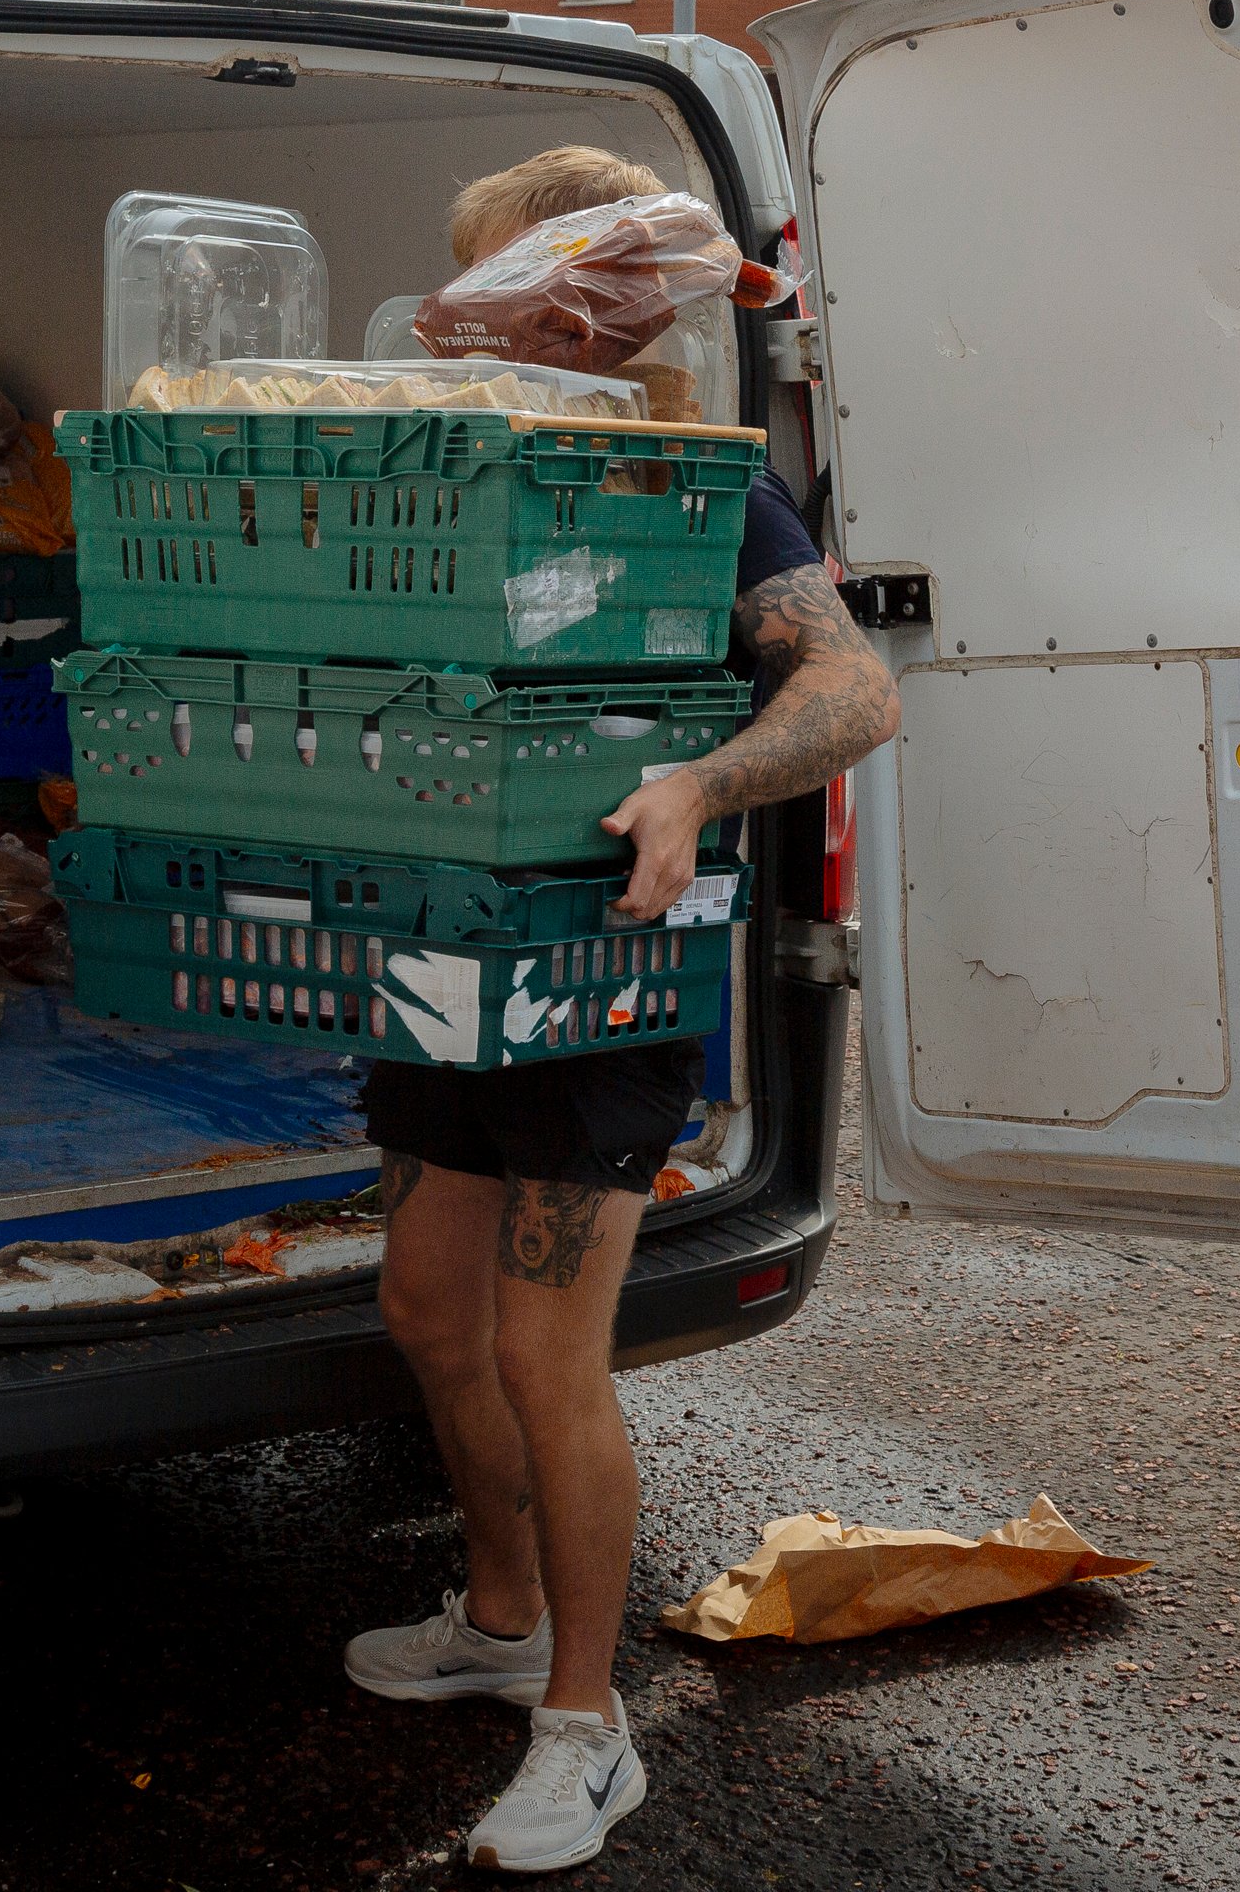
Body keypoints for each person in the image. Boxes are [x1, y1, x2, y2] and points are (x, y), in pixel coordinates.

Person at [341, 147, 901, 1873]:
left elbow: (856, 686)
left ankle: (587, 1731)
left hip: (605, 978)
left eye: (518, 293)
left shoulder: (697, 485)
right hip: (448, 949)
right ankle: (501, 1616)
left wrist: (695, 787)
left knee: (539, 1352)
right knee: (430, 1310)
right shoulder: (462, 468)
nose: (484, 329)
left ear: (600, 304)